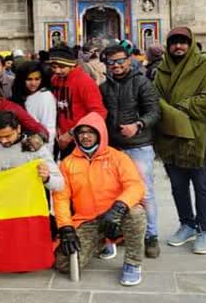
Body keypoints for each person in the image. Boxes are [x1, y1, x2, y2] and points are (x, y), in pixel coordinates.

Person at [53, 112, 147, 286]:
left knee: (136, 213)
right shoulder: (67, 163)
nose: (85, 136)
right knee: (64, 264)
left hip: (115, 216)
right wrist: (65, 228)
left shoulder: (118, 157)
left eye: (91, 132)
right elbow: (61, 198)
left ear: (100, 134)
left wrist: (119, 207)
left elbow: (136, 186)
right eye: (81, 132)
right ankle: (102, 242)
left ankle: (133, 263)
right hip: (87, 220)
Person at [153, 27, 206, 256]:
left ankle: (204, 229)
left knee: (202, 185)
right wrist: (172, 115)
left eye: (183, 42)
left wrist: (178, 110)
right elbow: (155, 99)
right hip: (169, 137)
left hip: (199, 136)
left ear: (190, 44)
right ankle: (187, 223)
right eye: (174, 43)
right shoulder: (162, 70)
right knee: (178, 185)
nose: (178, 47)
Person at [100, 44, 162, 258]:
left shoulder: (141, 82)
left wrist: (138, 125)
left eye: (120, 61)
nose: (116, 65)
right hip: (114, 147)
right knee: (116, 192)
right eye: (111, 62)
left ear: (129, 60)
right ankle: (123, 233)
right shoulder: (104, 87)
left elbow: (154, 111)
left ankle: (151, 236)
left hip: (139, 145)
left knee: (144, 192)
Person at [0, 110, 64, 195]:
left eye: (8, 136)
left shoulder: (35, 147)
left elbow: (59, 185)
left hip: (30, 204)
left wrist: (46, 179)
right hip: (1, 203)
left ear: (18, 129)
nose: (3, 141)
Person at [50, 45, 107, 159]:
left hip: (81, 139)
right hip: (61, 138)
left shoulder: (85, 82)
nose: (57, 70)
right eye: (54, 67)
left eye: (62, 67)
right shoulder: (55, 79)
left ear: (72, 64)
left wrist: (72, 133)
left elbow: (99, 113)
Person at [12, 61, 58, 154]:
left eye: (37, 79)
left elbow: (49, 128)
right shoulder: (20, 95)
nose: (33, 83)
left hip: (39, 148)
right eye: (29, 79)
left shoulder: (45, 96)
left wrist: (47, 153)